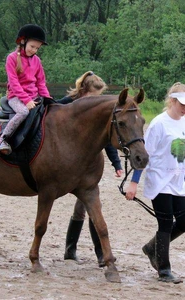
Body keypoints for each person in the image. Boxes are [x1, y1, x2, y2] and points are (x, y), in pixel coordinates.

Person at [57, 71, 123, 266]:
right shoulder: (68, 103)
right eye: (94, 96)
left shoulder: (97, 112)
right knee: (88, 208)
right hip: (66, 165)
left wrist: (117, 164)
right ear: (83, 90)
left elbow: (108, 141)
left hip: (86, 168)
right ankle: (82, 251)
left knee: (87, 208)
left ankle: (90, 253)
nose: (96, 101)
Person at [125, 82, 185, 284]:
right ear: (172, 101)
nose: (184, 108)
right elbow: (144, 156)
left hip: (178, 180)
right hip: (160, 180)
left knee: (184, 220)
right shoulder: (159, 123)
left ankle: (152, 248)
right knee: (166, 222)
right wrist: (134, 183)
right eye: (182, 104)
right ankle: (164, 270)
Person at [0, 24, 51, 155]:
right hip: (16, 97)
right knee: (23, 112)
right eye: (32, 47)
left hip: (34, 97)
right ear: (23, 41)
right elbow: (14, 83)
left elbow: (41, 83)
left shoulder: (37, 61)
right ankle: (2, 140)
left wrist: (48, 99)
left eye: (37, 48)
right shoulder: (11, 58)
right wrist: (26, 100)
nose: (34, 50)